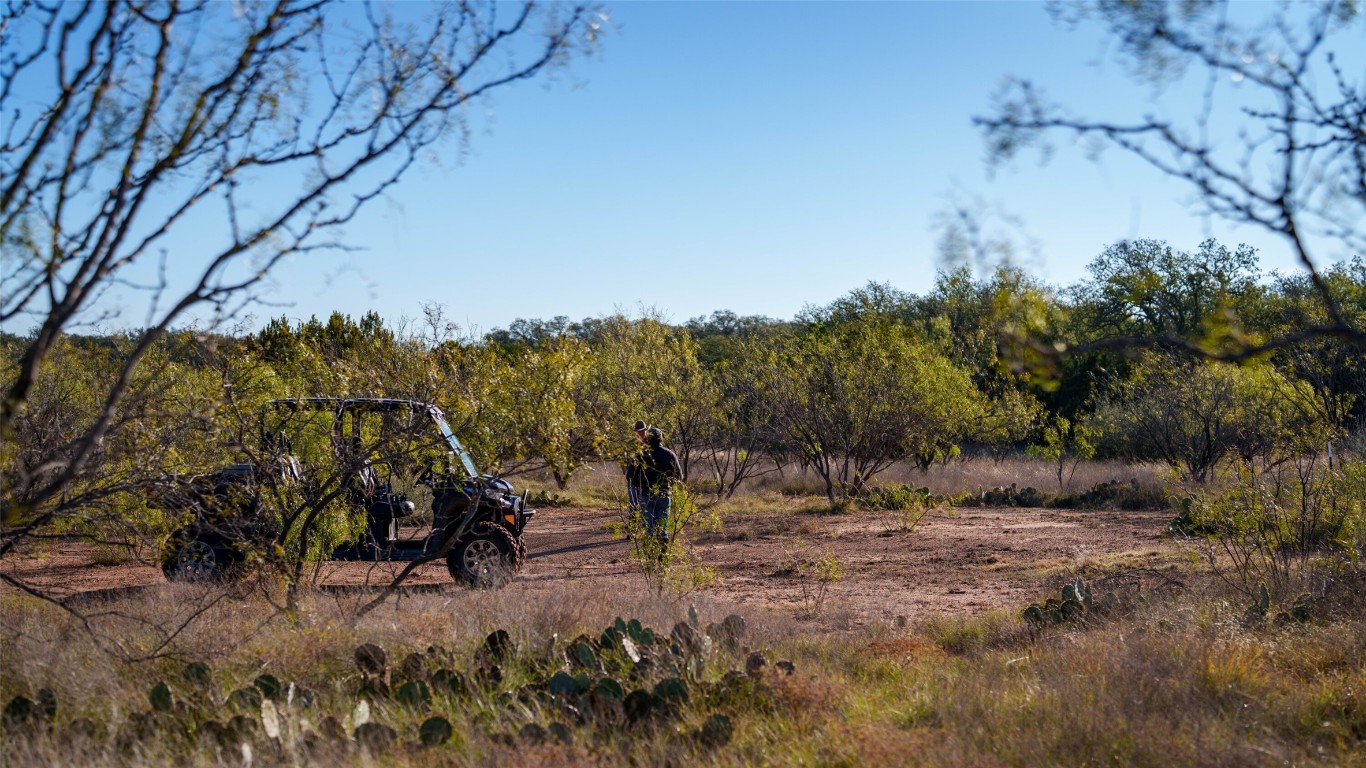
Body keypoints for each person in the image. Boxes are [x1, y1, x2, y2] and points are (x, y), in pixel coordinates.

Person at [638, 426, 681, 546]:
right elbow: (679, 476)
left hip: (646, 495)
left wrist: (640, 485)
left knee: (649, 529)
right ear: (661, 439)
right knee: (663, 530)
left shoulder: (641, 454)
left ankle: (649, 557)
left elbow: (631, 476)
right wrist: (670, 484)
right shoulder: (669, 454)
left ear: (648, 439)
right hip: (663, 494)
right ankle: (663, 558)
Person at [624, 420, 648, 513]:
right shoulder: (632, 444)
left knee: (644, 506)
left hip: (645, 480)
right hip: (633, 479)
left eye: (643, 431)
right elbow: (628, 461)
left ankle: (643, 526)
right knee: (633, 505)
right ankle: (633, 526)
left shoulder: (650, 444)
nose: (641, 433)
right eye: (639, 431)